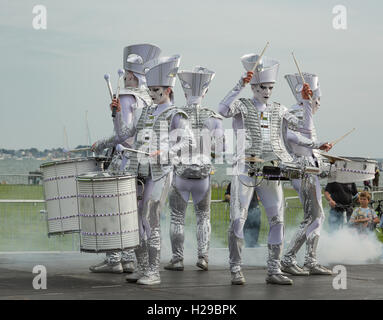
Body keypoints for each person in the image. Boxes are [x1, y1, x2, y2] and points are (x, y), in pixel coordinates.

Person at [218, 53, 330, 285]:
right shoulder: (242, 104)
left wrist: (307, 103)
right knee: (238, 219)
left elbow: (306, 131)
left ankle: (274, 269)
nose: (267, 91)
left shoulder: (279, 110)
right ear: (254, 86)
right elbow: (222, 110)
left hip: (272, 170)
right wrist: (240, 84)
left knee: (278, 220)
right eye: (262, 87)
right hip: (245, 168)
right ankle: (236, 268)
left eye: (270, 87)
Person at [112, 54, 195, 285]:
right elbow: (123, 134)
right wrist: (116, 114)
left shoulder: (176, 114)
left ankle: (154, 271)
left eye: (156, 90)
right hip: (139, 171)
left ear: (168, 90)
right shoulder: (146, 112)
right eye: (150, 89)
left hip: (160, 172)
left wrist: (165, 152)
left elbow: (189, 142)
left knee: (150, 219)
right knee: (135, 219)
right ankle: (141, 267)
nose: (152, 94)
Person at [89, 43, 161, 274]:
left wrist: (102, 141)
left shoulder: (126, 95)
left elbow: (123, 135)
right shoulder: (152, 100)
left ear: (130, 75)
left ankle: (115, 260)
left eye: (128, 75)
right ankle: (132, 259)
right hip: (148, 164)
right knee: (139, 212)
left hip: (125, 160)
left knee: (114, 208)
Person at [165, 66, 225, 272]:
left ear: (184, 92)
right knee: (203, 217)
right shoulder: (214, 117)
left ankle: (177, 259)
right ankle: (203, 257)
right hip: (203, 175)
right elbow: (220, 148)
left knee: (177, 217)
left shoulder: (176, 115)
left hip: (181, 173)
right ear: (205, 91)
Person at [281, 72, 333, 276]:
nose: (318, 103)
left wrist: (320, 152)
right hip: (301, 170)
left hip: (310, 169)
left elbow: (310, 146)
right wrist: (316, 144)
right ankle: (288, 257)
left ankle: (310, 259)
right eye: (316, 99)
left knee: (317, 216)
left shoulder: (304, 113)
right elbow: (295, 138)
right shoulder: (296, 114)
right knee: (313, 215)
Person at [224, 183, 262, 247]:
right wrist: (235, 201)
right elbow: (227, 195)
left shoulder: (251, 182)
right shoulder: (234, 183)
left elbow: (260, 193)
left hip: (255, 210)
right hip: (241, 213)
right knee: (243, 236)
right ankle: (240, 250)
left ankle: (253, 247)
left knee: (254, 237)